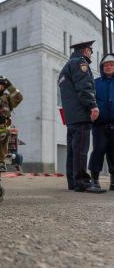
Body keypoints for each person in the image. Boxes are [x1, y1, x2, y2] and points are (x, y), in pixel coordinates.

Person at [58, 40, 99, 192]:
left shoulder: (65, 68)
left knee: (73, 150)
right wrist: (93, 105)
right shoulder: (80, 63)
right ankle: (82, 182)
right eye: (91, 50)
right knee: (81, 149)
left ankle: (73, 182)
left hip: (71, 116)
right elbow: (84, 87)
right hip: (81, 114)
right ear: (85, 50)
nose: (91, 53)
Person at [88, 53, 114, 191]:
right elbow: (89, 101)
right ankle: (94, 180)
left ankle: (113, 183)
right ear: (102, 67)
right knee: (98, 151)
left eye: (111, 64)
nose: (108, 67)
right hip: (100, 125)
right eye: (106, 65)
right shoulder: (95, 83)